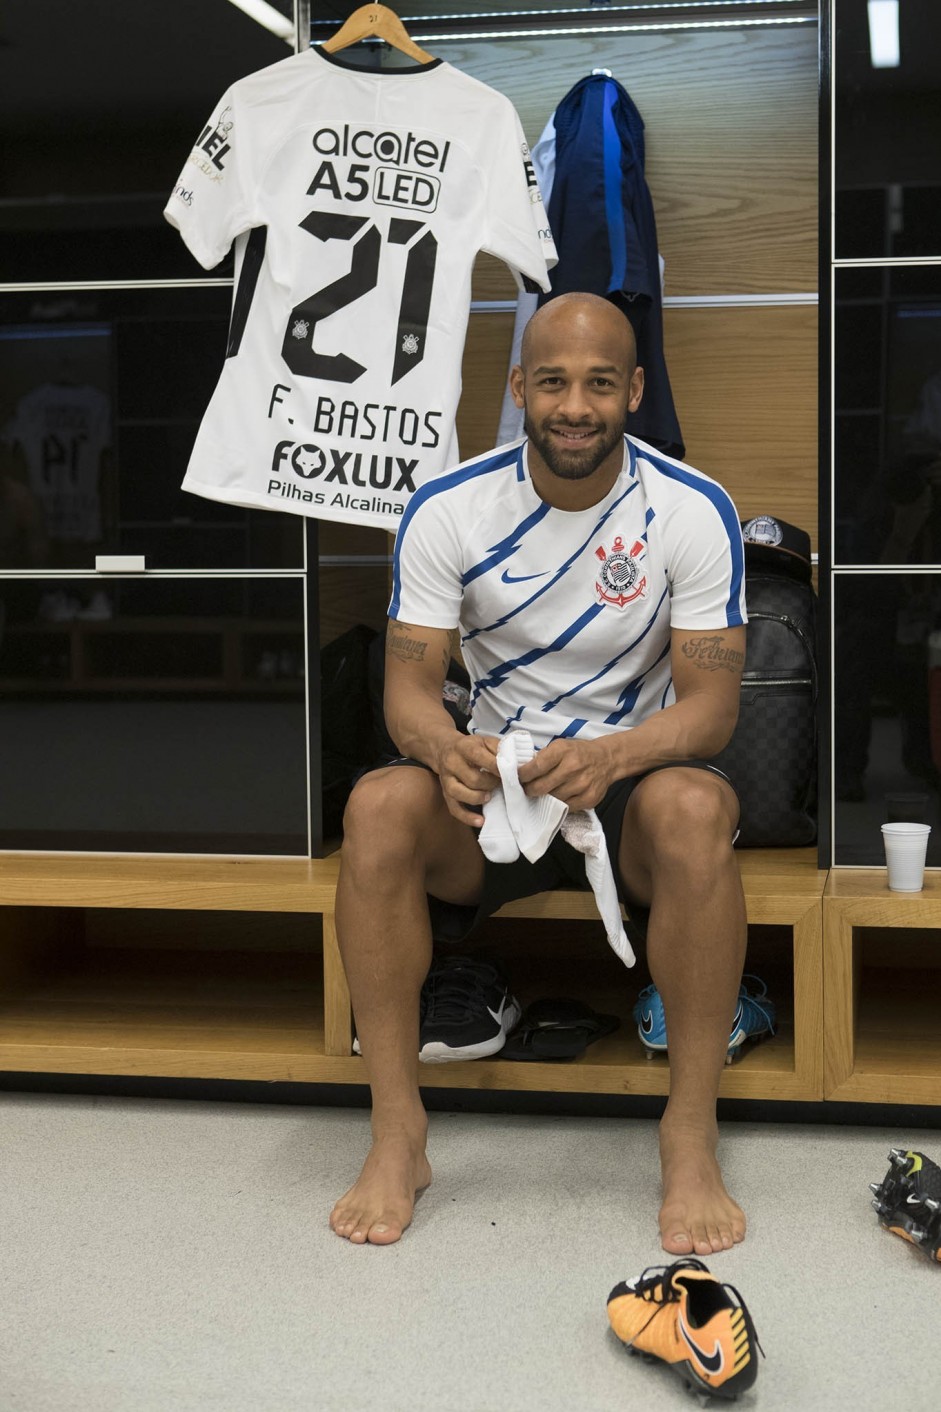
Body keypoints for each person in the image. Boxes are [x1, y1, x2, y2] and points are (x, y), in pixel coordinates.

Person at [330, 292, 748, 1255]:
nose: (574, 405)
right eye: (552, 381)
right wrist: (444, 748)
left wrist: (613, 755)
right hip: (492, 787)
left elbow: (712, 711)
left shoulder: (690, 508)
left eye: (600, 383)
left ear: (634, 391)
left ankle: (688, 1135)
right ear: (518, 387)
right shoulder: (449, 509)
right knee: (378, 804)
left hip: (629, 785)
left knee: (693, 807)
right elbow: (406, 691)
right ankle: (399, 1137)